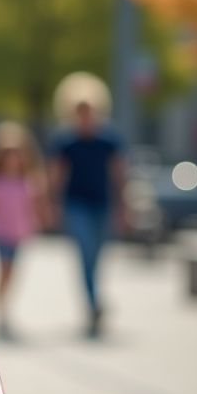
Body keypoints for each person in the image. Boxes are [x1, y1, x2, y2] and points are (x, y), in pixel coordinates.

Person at [47, 73, 126, 339]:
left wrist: (123, 206)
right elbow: (56, 176)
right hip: (76, 204)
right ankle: (93, 304)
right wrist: (52, 205)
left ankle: (93, 301)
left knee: (97, 257)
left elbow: (118, 174)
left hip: (101, 204)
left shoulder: (109, 139)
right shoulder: (65, 141)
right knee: (85, 252)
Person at [0, 122, 53, 341]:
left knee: (12, 271)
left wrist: (46, 218)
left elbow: (37, 207)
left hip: (20, 232)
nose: (12, 158)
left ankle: (4, 305)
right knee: (3, 269)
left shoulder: (30, 181)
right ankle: (0, 308)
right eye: (8, 153)